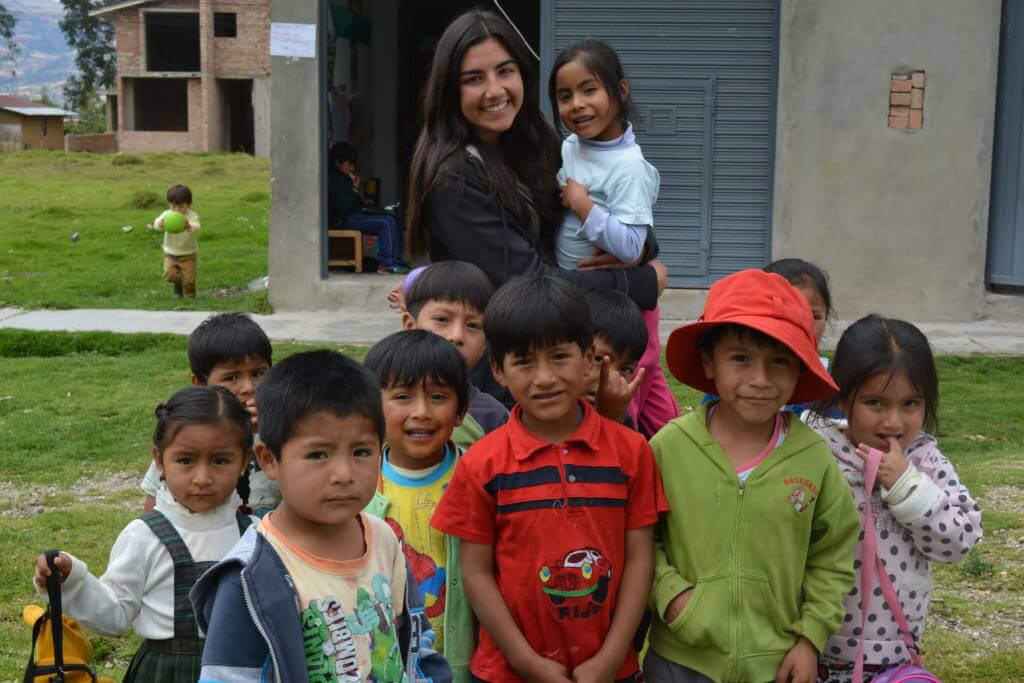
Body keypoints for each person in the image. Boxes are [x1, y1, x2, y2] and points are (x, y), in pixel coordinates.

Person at [432, 276, 668, 682]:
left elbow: (639, 560)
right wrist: (526, 662)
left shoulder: (632, 452)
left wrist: (612, 657)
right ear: (498, 371)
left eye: (559, 357)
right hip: (509, 671)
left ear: (590, 358)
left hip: (610, 668)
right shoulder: (483, 464)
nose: (543, 378)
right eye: (523, 361)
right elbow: (476, 572)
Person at [647, 269, 860, 683]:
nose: (760, 380)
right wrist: (671, 595)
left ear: (800, 369)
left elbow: (832, 557)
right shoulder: (668, 448)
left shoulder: (813, 458)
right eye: (741, 358)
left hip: (778, 664)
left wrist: (810, 638)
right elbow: (640, 536)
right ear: (709, 362)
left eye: (780, 361)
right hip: (679, 660)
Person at [191, 350, 450, 682]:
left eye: (361, 452)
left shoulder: (384, 539)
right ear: (269, 460)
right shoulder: (250, 577)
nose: (343, 473)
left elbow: (415, 639)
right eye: (318, 454)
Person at [404, 9, 668, 313]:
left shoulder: (539, 143)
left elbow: (617, 212)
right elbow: (526, 282)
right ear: (450, 91)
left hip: (558, 337)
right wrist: (641, 282)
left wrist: (640, 248)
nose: (495, 90)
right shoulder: (453, 180)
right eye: (474, 78)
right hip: (501, 352)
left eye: (505, 71)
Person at [33, 386, 255, 682]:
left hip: (242, 670)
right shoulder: (144, 536)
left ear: (244, 461)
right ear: (160, 461)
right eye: (186, 460)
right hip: (165, 673)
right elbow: (114, 616)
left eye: (221, 461)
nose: (202, 478)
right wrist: (72, 579)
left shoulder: (255, 534)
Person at [810, 315, 982, 682]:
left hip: (894, 654)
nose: (893, 422)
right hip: (813, 646)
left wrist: (908, 487)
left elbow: (960, 541)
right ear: (843, 396)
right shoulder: (817, 454)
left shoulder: (925, 461)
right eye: (875, 402)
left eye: (909, 404)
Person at [549, 39, 680, 438]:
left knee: (628, 388)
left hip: (626, 302)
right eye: (564, 95)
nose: (577, 105)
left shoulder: (630, 168)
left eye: (589, 90)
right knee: (641, 379)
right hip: (589, 294)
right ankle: (673, 442)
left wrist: (582, 205)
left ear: (620, 92)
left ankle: (636, 455)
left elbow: (630, 247)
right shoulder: (573, 146)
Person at [363, 329, 474, 681]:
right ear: (372, 408)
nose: (422, 412)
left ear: (461, 411)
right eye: (403, 396)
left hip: (463, 660)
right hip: (385, 662)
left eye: (438, 396)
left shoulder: (479, 476)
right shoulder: (358, 484)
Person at [141, 312, 277, 516]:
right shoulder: (186, 433)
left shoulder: (288, 429)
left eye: (258, 373)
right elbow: (155, 505)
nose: (249, 387)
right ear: (200, 384)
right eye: (232, 377)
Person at [702, 258, 839, 419]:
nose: (805, 326)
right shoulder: (722, 389)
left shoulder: (835, 387)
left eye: (813, 316)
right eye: (741, 358)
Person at [402, 261, 509, 449]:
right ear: (410, 326)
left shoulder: (493, 417)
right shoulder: (380, 402)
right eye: (442, 319)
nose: (457, 336)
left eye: (473, 326)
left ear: (485, 343)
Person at [328, 142, 409, 274]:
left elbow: (353, 201)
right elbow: (344, 205)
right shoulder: (332, 179)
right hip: (345, 220)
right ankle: (386, 264)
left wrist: (364, 203)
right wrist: (354, 189)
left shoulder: (344, 178)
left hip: (355, 215)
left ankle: (396, 259)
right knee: (385, 223)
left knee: (392, 217)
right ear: (338, 163)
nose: (352, 168)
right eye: (349, 164)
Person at [582, 288, 648, 424]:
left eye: (625, 369)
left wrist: (609, 419)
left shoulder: (624, 424)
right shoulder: (538, 417)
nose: (611, 379)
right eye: (599, 359)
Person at [154, 184, 200, 298]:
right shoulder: (167, 215)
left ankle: (190, 298)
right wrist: (160, 224)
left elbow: (197, 227)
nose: (176, 210)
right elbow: (157, 225)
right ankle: (178, 285)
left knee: (189, 281)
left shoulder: (192, 216)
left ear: (187, 204)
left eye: (180, 207)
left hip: (188, 254)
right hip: (171, 253)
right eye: (173, 206)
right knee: (169, 275)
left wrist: (189, 226)